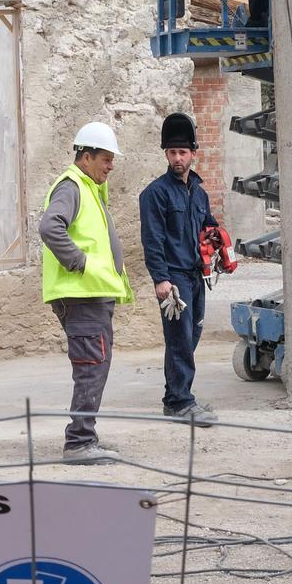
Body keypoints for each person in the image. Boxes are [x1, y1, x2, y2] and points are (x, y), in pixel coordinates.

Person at [39, 122, 134, 463]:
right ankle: (78, 443)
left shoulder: (89, 189)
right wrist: (78, 262)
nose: (111, 166)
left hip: (90, 296)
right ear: (86, 155)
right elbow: (50, 225)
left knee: (95, 364)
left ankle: (85, 437)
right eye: (106, 159)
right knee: (91, 366)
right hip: (81, 296)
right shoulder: (72, 186)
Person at [139, 112, 220, 426]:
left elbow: (207, 227)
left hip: (196, 275)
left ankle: (175, 396)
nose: (177, 158)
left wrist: (216, 239)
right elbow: (153, 240)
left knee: (192, 335)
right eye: (172, 153)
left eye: (182, 152)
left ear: (192, 153)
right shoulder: (155, 194)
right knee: (179, 340)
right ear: (166, 154)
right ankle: (181, 402)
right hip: (173, 279)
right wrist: (161, 279)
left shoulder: (199, 192)